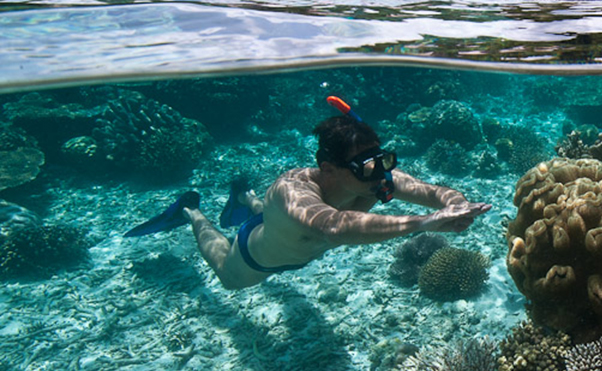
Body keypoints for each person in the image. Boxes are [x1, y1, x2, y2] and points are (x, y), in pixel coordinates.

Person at [124, 114, 491, 290]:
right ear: (327, 168)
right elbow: (334, 226)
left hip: (291, 233)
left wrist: (455, 204)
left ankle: (244, 196)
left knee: (273, 217)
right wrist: (425, 222)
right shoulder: (293, 191)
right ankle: (190, 210)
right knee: (226, 274)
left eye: (384, 161)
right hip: (261, 256)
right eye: (366, 167)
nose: (380, 174)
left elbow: (432, 192)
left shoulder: (374, 179)